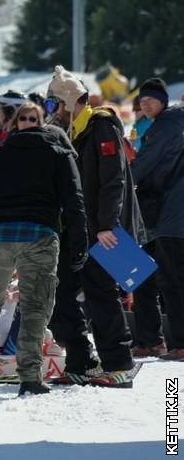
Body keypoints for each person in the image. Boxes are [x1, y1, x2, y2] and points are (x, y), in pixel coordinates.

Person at [0, 111, 88, 395]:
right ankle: (30, 377)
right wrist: (80, 241)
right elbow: (75, 200)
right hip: (39, 235)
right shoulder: (60, 154)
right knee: (35, 305)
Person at [46, 65, 142, 386]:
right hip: (75, 230)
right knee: (61, 295)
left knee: (101, 294)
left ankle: (119, 364)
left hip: (99, 230)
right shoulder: (69, 131)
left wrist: (106, 224)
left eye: (53, 103)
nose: (51, 111)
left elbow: (113, 179)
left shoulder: (100, 126)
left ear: (68, 101)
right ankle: (82, 360)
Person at [130, 78, 184, 361]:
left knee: (171, 279)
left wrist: (120, 181)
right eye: (141, 100)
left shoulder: (166, 124)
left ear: (164, 100)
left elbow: (143, 165)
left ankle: (177, 343)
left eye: (150, 98)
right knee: (146, 275)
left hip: (169, 215)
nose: (145, 103)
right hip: (160, 213)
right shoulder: (172, 122)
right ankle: (151, 340)